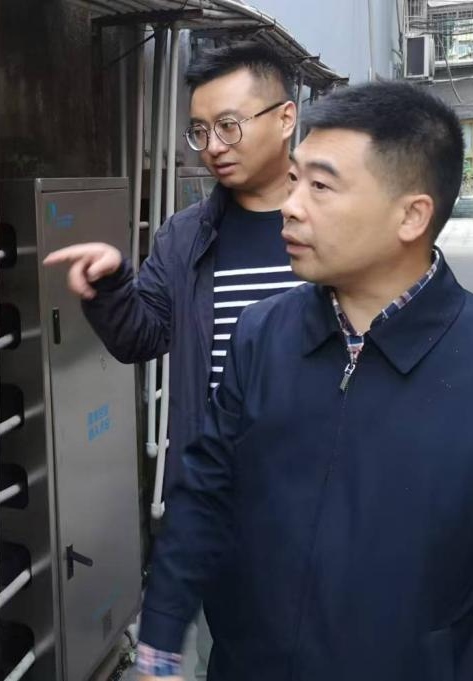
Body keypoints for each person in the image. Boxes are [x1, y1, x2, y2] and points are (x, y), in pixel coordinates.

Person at [134, 80, 473, 681]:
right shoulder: (261, 336)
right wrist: (160, 641)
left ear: (411, 215)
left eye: (321, 186)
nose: (291, 206)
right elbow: (204, 495)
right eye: (295, 180)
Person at [43, 41, 303, 679]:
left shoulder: (336, 222)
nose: (213, 145)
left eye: (229, 125)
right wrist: (110, 288)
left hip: (325, 489)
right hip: (225, 501)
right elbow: (142, 336)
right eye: (199, 131)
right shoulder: (186, 236)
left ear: (285, 118)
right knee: (230, 656)